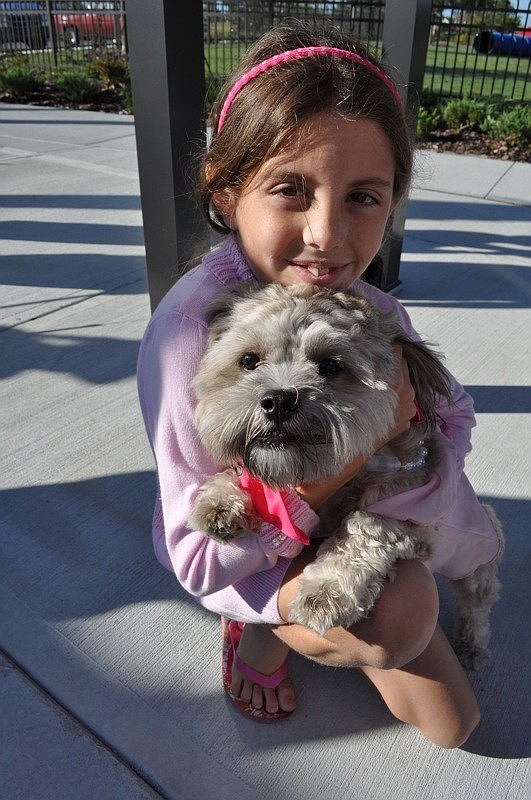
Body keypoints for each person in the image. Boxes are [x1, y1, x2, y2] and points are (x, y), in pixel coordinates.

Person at [137, 23, 502, 747]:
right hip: (268, 536)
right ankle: (257, 634)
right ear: (225, 186)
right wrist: (341, 467)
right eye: (290, 190)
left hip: (376, 520)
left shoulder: (372, 308)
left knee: (453, 727)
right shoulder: (188, 331)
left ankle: (318, 610)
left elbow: (450, 420)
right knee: (396, 618)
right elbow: (201, 555)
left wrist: (404, 435)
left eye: (363, 197)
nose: (326, 235)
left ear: (394, 198)